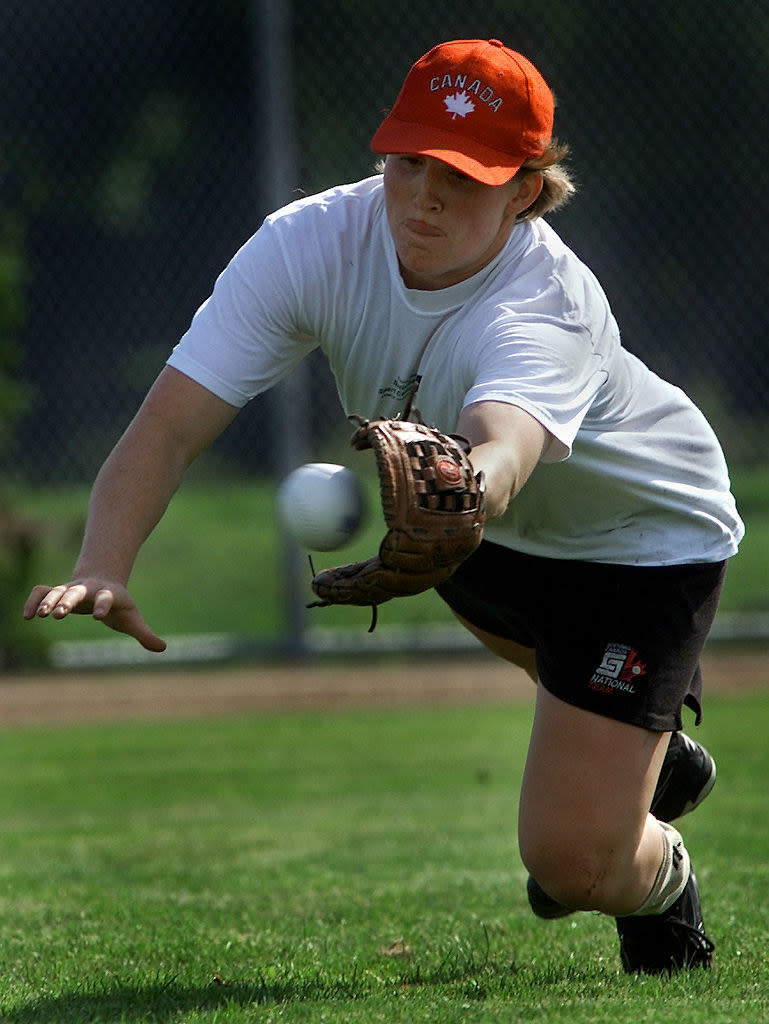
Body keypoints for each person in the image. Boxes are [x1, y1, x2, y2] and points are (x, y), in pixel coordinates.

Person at [24, 38, 743, 974]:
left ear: (525, 189)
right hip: (483, 542)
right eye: (410, 160)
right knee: (567, 750)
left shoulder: (546, 300)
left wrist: (465, 484)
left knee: (570, 864)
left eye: (463, 174)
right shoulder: (311, 243)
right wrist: (103, 563)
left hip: (639, 545)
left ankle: (659, 871)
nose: (425, 196)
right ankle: (648, 755)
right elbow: (167, 426)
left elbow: (504, 446)